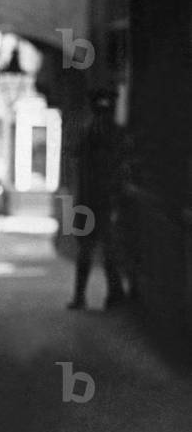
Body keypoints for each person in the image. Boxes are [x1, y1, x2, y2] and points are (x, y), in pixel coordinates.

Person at [67, 89, 127, 310]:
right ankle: (106, 296)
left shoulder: (92, 134)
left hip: (97, 201)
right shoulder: (99, 135)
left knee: (100, 250)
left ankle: (103, 295)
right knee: (98, 250)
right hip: (96, 201)